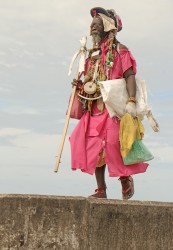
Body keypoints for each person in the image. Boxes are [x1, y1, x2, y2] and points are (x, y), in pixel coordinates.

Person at [69, 7, 149, 200]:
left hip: (113, 109)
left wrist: (131, 100)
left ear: (107, 27)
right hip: (94, 108)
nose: (93, 28)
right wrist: (79, 85)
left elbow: (129, 76)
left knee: (113, 143)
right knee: (91, 145)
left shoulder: (120, 50)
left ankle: (124, 178)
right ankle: (101, 190)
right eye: (91, 25)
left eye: (97, 25)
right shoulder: (91, 56)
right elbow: (89, 82)